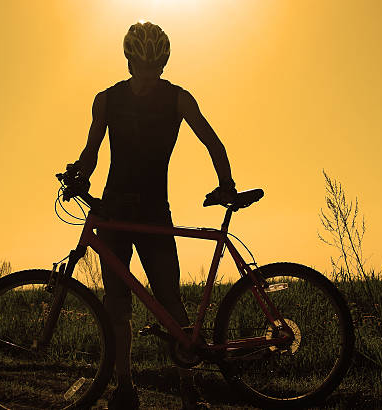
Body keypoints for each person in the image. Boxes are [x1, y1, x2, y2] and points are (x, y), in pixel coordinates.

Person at [74, 21, 236, 409]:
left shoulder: (178, 99)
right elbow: (93, 149)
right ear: (129, 62)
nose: (148, 77)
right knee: (117, 306)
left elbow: (212, 141)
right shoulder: (107, 100)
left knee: (169, 301)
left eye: (156, 68)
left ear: (163, 65)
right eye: (142, 68)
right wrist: (79, 173)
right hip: (112, 212)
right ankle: (125, 387)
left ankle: (188, 386)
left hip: (153, 213)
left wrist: (226, 183)